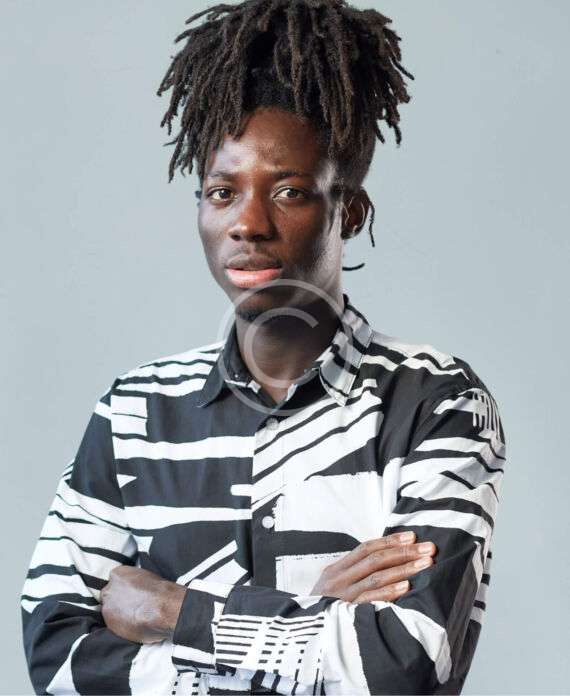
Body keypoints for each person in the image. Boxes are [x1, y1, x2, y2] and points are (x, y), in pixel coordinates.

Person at [21, 1, 507, 694]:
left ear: (349, 212)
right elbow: (58, 661)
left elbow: (405, 665)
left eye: (288, 191)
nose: (247, 223)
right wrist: (317, 618)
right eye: (222, 192)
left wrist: (174, 611)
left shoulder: (435, 401)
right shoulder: (134, 410)